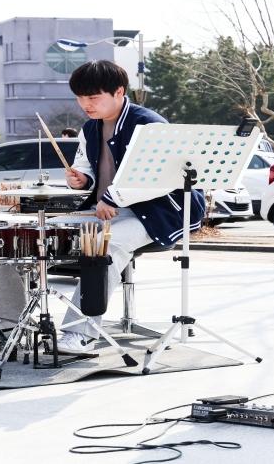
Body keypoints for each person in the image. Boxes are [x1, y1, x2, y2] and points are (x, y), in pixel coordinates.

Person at [56, 60, 205, 353]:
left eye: (93, 97)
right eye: (80, 97)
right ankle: (2, 321)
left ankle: (80, 332)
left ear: (119, 91)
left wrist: (112, 198)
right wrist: (81, 179)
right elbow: (86, 166)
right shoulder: (90, 128)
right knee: (27, 232)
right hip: (109, 209)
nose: (85, 104)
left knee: (104, 245)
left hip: (161, 211)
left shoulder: (150, 124)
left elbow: (162, 178)